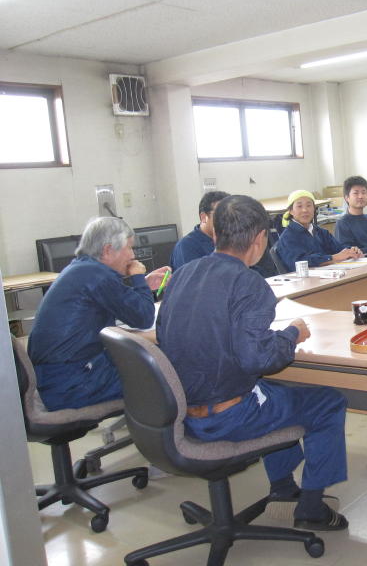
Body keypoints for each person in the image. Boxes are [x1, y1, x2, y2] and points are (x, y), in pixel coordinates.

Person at [157, 195, 349, 531]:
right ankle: (312, 507)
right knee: (327, 401)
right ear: (260, 238)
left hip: (182, 413)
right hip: (228, 418)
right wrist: (292, 334)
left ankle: (283, 487)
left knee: (275, 390)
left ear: (216, 233)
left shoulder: (183, 274)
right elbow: (260, 359)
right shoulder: (248, 283)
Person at [28, 216, 170, 411]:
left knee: (148, 358)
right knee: (166, 372)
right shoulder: (97, 276)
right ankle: (177, 426)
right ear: (108, 250)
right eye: (129, 248)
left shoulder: (82, 269)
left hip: (57, 378)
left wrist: (143, 285)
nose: (132, 255)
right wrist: (137, 277)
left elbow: (115, 302)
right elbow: (144, 318)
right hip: (73, 384)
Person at [274, 190, 361, 271]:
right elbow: (299, 262)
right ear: (291, 211)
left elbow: (339, 249)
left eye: (309, 205)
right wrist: (333, 258)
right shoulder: (287, 237)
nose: (305, 210)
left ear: (314, 209)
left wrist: (352, 251)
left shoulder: (321, 232)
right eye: (299, 206)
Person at [169, 190, 230, 270]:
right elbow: (193, 277)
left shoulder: (232, 240)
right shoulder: (187, 246)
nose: (227, 219)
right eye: (221, 214)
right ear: (203, 217)